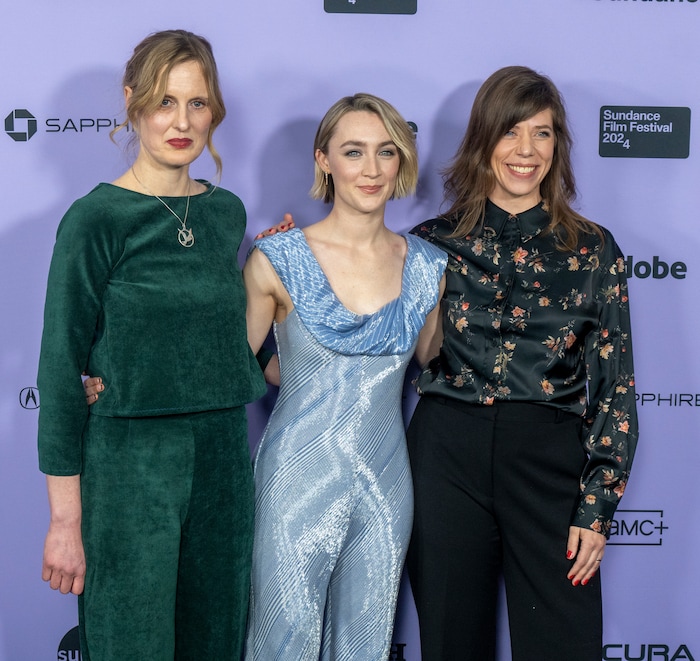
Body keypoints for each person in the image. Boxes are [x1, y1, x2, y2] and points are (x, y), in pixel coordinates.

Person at [37, 29, 265, 660]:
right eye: (166, 101)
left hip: (222, 457)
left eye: (197, 103)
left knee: (215, 644)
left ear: (215, 109)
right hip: (128, 462)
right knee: (130, 645)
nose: (182, 121)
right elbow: (60, 368)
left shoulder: (226, 214)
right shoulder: (96, 219)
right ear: (133, 100)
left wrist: (284, 264)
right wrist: (64, 521)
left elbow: (225, 338)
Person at [405, 65, 639, 661]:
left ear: (557, 146)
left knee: (564, 643)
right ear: (484, 139)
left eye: (542, 133)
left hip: (548, 458)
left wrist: (597, 503)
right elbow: (362, 318)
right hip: (446, 452)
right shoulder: (430, 243)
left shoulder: (593, 248)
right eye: (511, 132)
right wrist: (291, 256)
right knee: (451, 640)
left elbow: (616, 388)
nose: (526, 150)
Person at [242, 93, 446, 660]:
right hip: (294, 481)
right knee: (281, 641)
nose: (372, 169)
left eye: (386, 152)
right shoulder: (276, 259)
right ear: (324, 160)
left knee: (366, 643)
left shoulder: (430, 267)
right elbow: (234, 369)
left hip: (385, 484)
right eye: (353, 152)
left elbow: (440, 365)